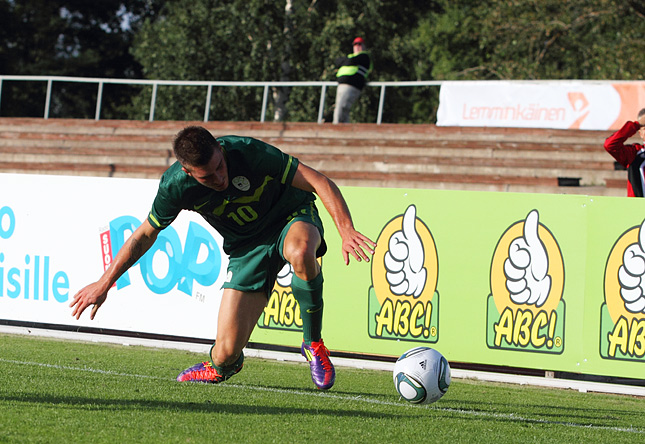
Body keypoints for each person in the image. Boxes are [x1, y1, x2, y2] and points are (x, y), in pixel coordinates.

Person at [70, 126, 376, 390]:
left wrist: (345, 230)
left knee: (300, 251)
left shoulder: (247, 152)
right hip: (246, 247)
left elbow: (319, 181)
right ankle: (223, 366)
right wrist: (104, 282)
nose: (219, 178)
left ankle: (314, 344)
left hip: (290, 216)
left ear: (220, 148)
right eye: (208, 176)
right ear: (188, 172)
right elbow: (144, 235)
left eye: (220, 166)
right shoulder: (175, 186)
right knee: (225, 352)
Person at [604, 108, 645, 197]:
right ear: (640, 133)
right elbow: (610, 145)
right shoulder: (634, 153)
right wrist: (636, 125)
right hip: (638, 208)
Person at [332, 36, 373, 124]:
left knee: (341, 107)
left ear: (364, 46)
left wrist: (345, 61)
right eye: (355, 44)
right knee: (341, 107)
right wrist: (347, 60)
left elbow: (349, 61)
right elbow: (337, 61)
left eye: (359, 44)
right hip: (342, 85)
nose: (357, 46)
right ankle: (342, 128)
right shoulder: (350, 56)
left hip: (351, 85)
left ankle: (337, 127)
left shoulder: (364, 57)